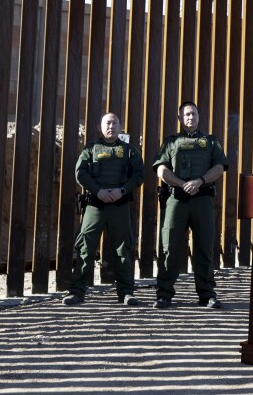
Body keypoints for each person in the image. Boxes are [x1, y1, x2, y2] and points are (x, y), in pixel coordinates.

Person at [153, 101, 229, 309]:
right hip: (177, 199)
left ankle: (207, 294)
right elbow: (161, 169)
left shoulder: (210, 142)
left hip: (202, 199)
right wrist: (182, 184)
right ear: (180, 119)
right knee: (169, 247)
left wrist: (200, 181)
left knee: (204, 247)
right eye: (186, 114)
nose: (190, 117)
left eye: (193, 114)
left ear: (199, 116)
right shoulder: (171, 142)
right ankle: (164, 294)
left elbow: (220, 167)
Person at [63, 113, 145, 306]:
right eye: (107, 123)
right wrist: (98, 191)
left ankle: (126, 293)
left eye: (115, 123)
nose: (111, 126)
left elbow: (139, 174)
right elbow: (80, 173)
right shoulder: (90, 150)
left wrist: (122, 190)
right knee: (85, 247)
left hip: (119, 205)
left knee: (123, 249)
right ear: (100, 127)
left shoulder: (129, 151)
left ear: (120, 126)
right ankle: (77, 292)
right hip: (95, 205)